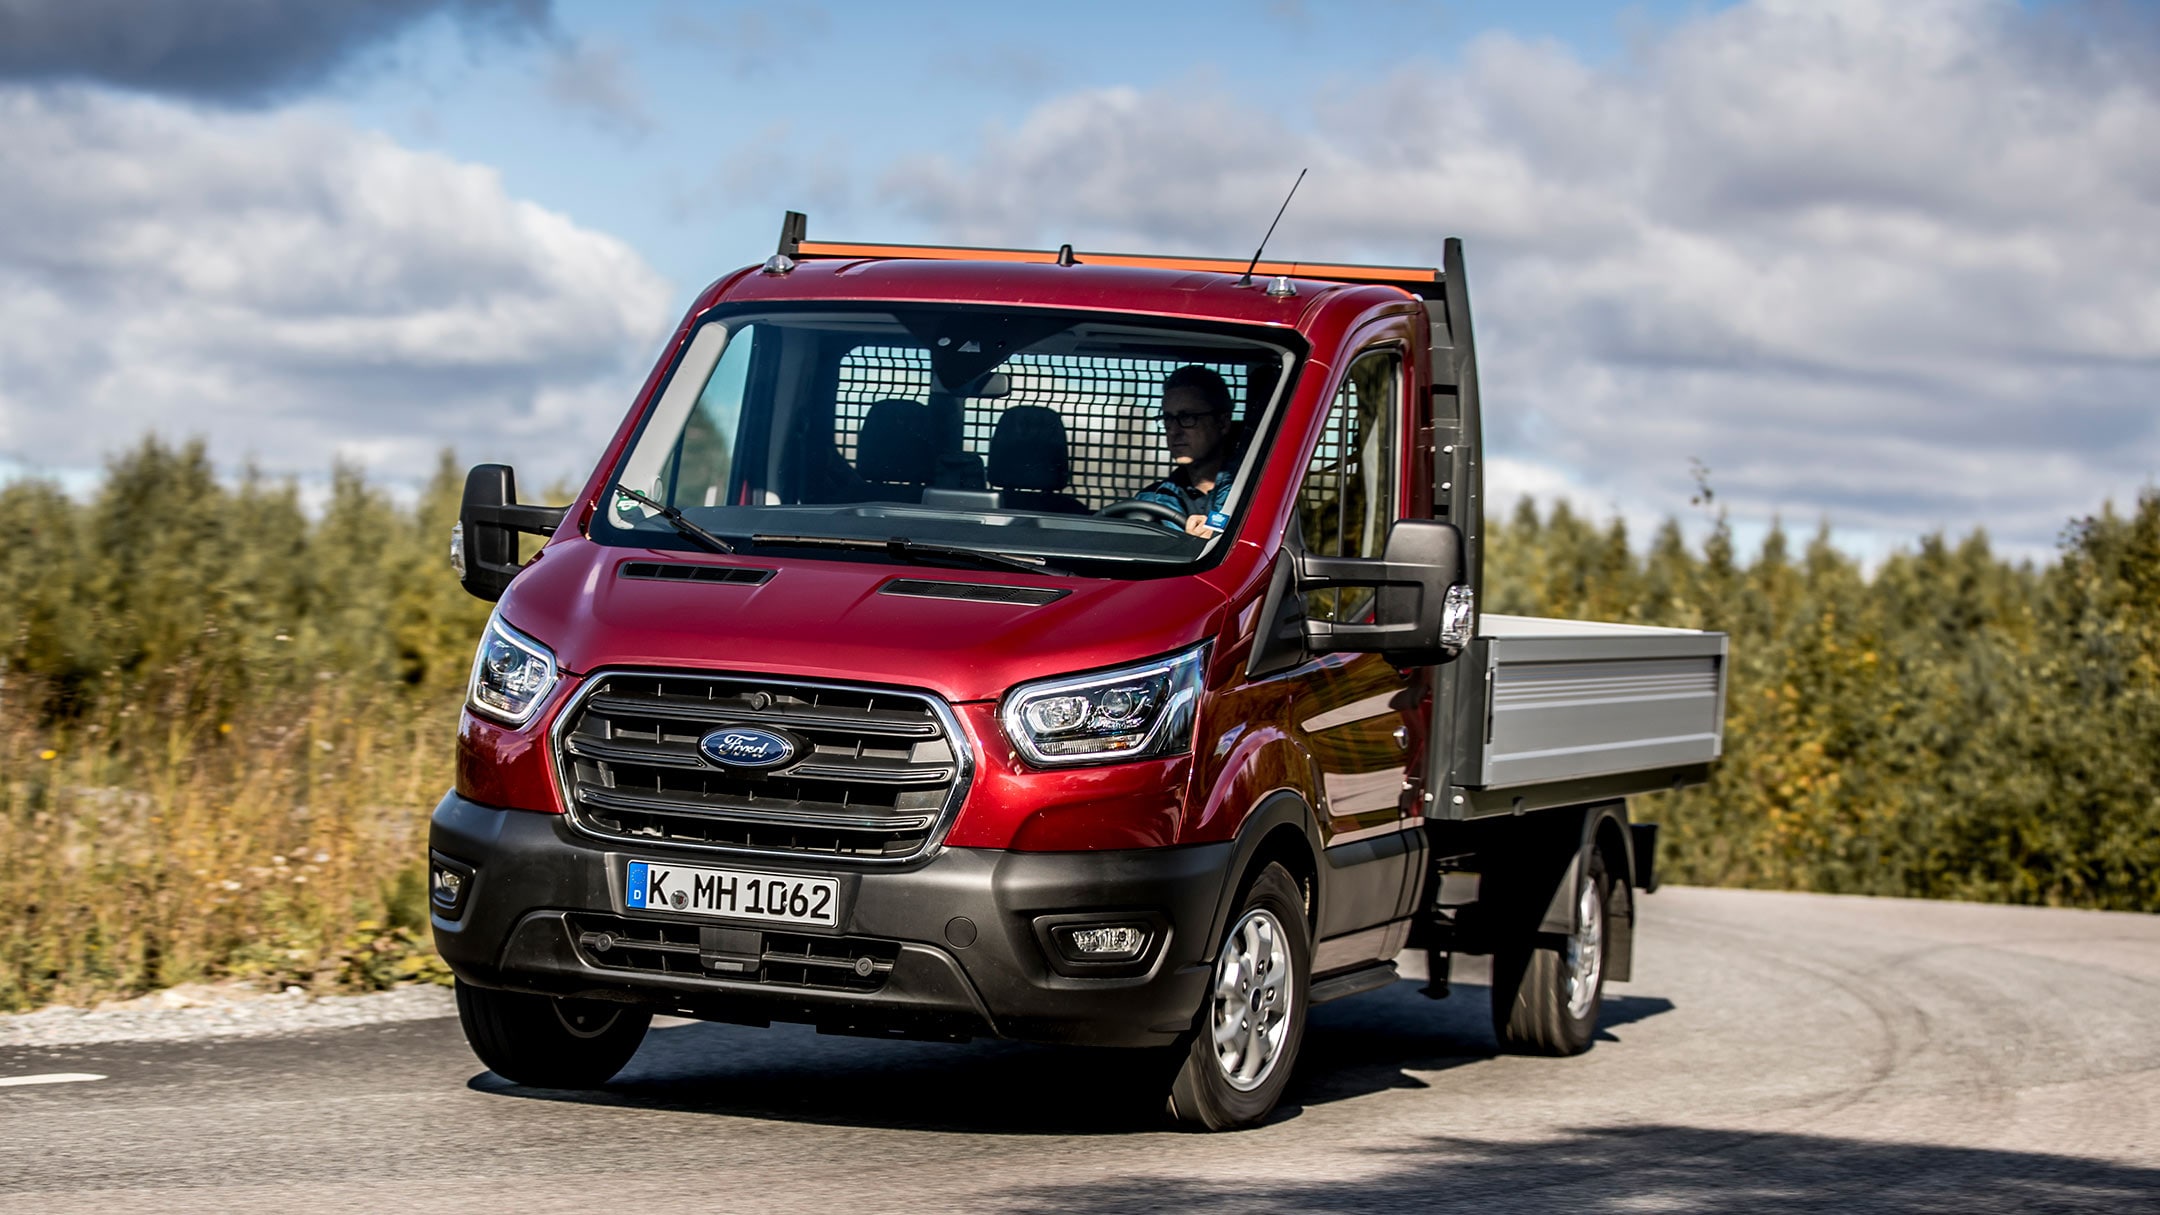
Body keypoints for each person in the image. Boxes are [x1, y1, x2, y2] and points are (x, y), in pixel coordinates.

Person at [1134, 364, 1242, 537]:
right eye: (1168, 419)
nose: (1175, 431)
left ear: (1222, 423)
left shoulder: (1255, 497)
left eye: (1187, 417)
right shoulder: (1150, 500)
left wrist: (1221, 537)